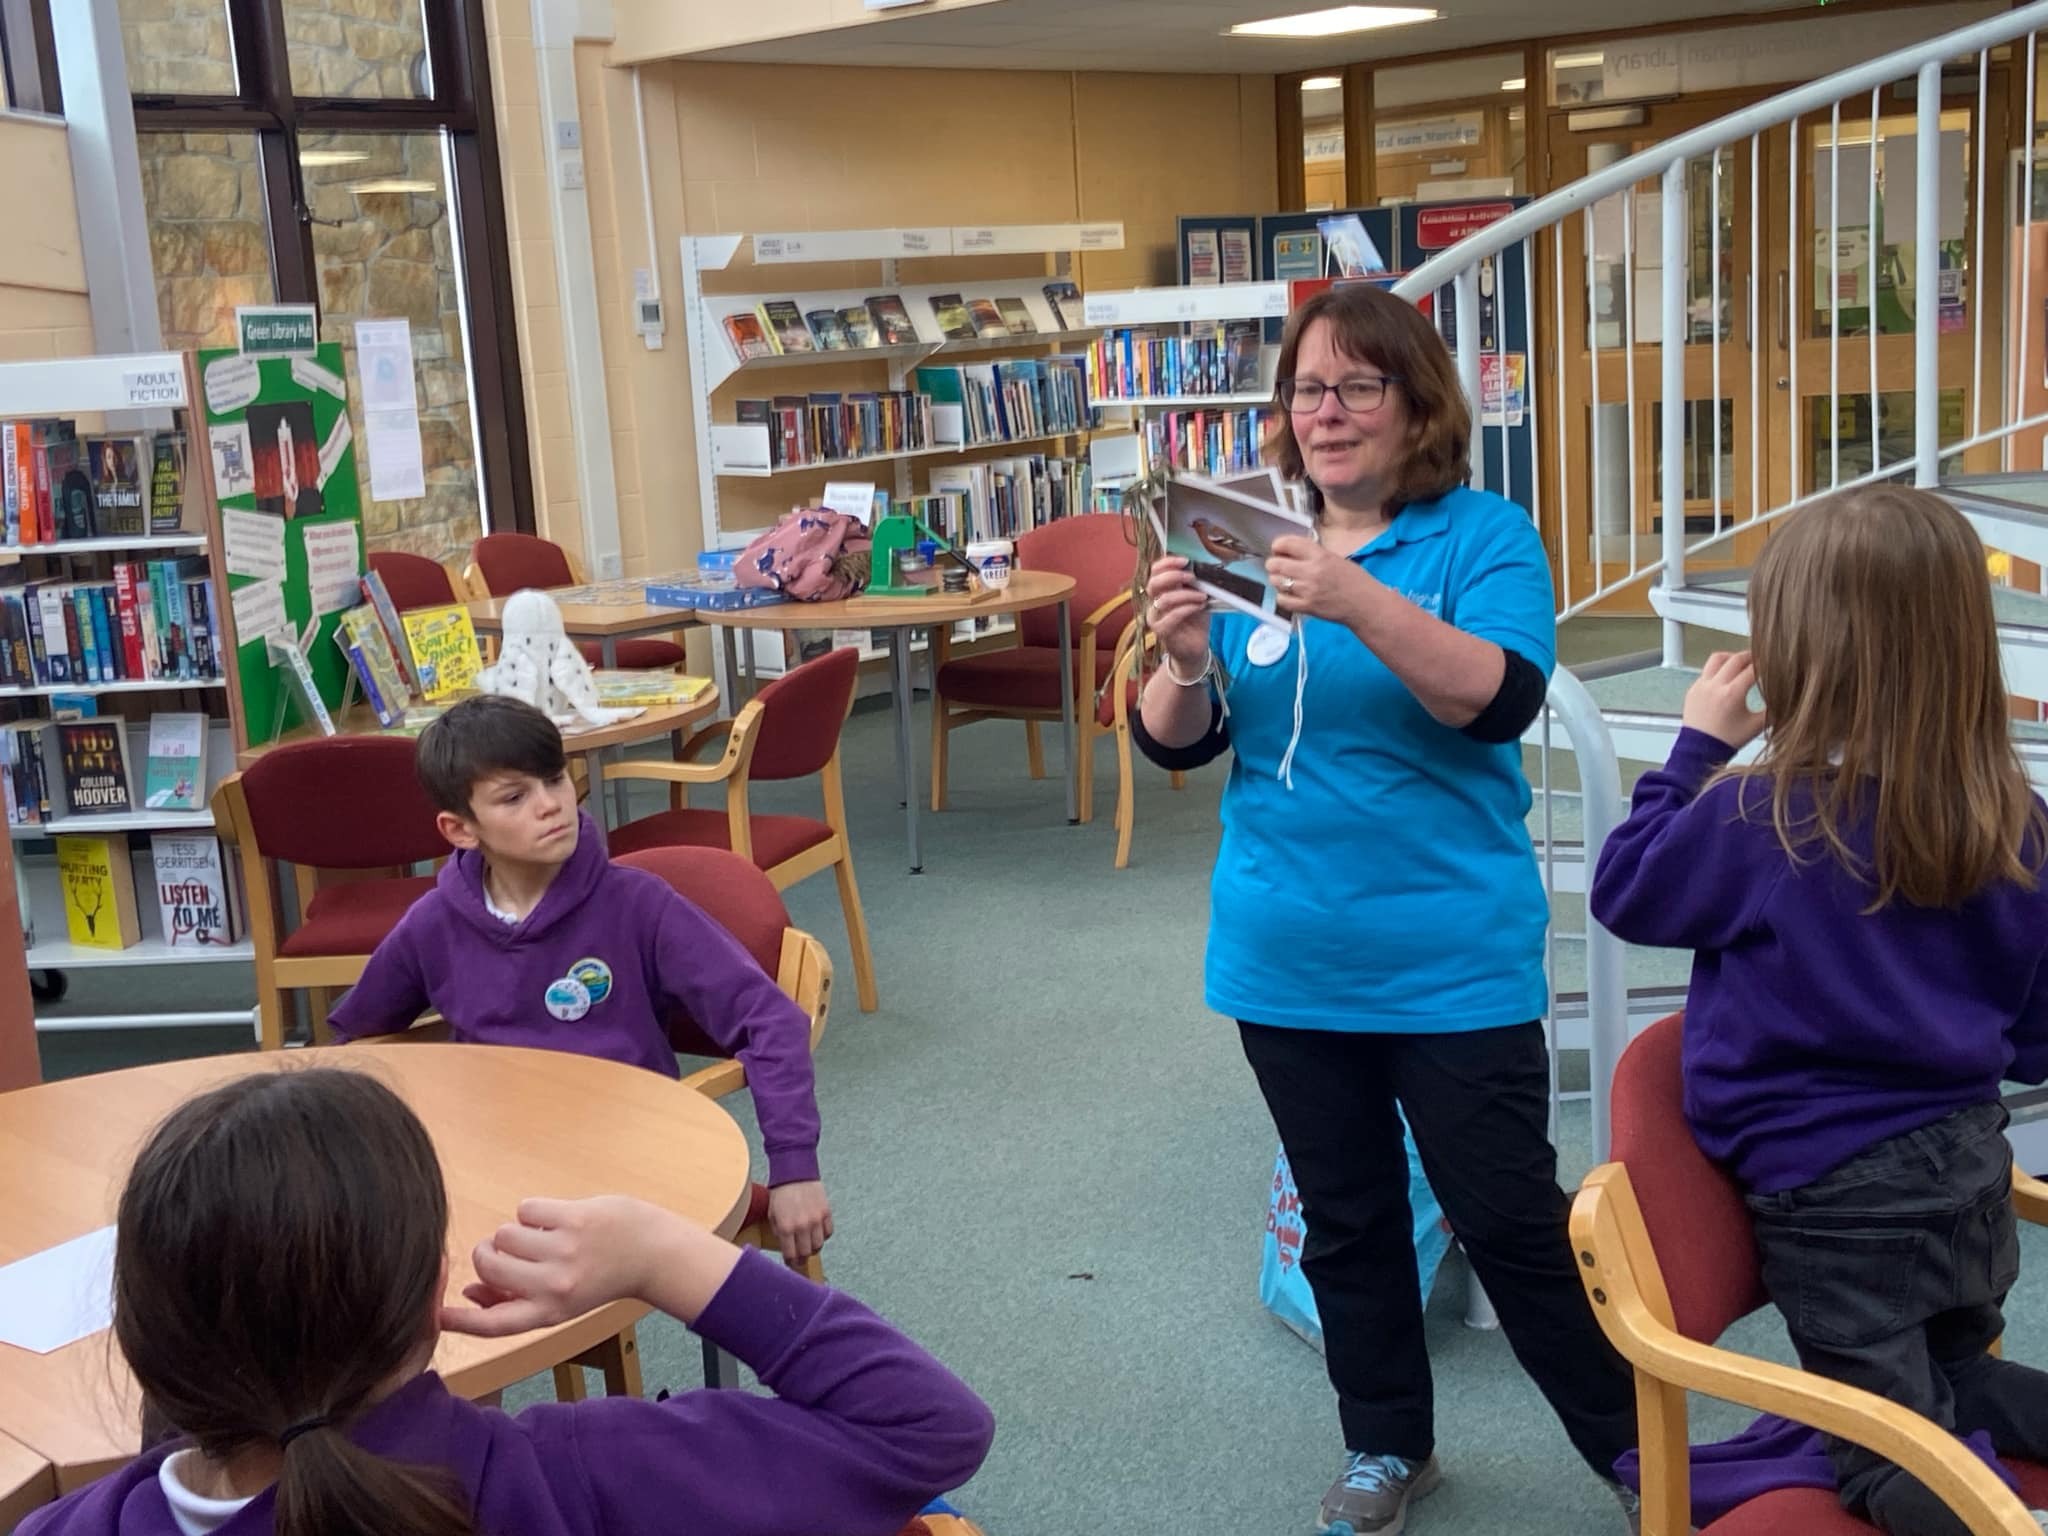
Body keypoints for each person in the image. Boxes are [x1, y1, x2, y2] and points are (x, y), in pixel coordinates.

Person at [1135, 281, 1637, 1535]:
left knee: (1515, 1222)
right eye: (1308, 388)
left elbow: (1501, 698)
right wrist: (1183, 665)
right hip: (1281, 954)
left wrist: (1355, 596)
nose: (1328, 412)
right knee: (1344, 1217)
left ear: (1416, 406)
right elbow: (1183, 748)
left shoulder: (1481, 537)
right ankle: (1384, 1447)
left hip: (1446, 958)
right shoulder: (1246, 539)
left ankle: (1643, 1462)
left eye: (1359, 386)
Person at [1589, 485, 2048, 1536]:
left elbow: (1624, 892)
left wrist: (1695, 749)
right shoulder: (2011, 821)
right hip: (1966, 1176)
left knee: (1880, 1453)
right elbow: (2030, 1041)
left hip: (1833, 1206)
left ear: (1795, 653)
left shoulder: (1759, 817)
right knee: (1951, 1384)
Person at [18, 1068, 994, 1536]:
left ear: (141, 1339)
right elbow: (927, 1430)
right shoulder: (585, 1477)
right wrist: (663, 1253)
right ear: (434, 1293)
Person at [329, 695, 832, 1266]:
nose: (551, 806)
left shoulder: (638, 905)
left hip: (630, 1161)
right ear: (460, 829)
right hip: (499, 1165)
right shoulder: (432, 926)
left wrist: (794, 1166)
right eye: (515, 797)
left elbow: (767, 1019)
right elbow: (358, 1042)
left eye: (555, 780)